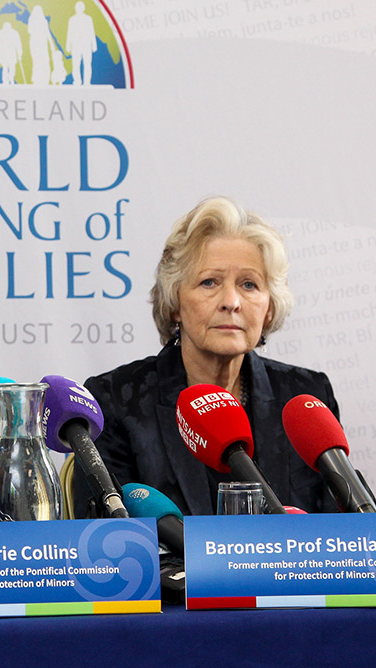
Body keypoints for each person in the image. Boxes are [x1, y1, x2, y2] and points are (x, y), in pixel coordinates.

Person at [73, 197, 340, 517]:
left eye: (249, 284)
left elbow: (338, 531)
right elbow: (108, 537)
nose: (231, 301)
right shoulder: (115, 400)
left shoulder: (306, 396)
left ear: (269, 308)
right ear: (174, 301)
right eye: (209, 282)